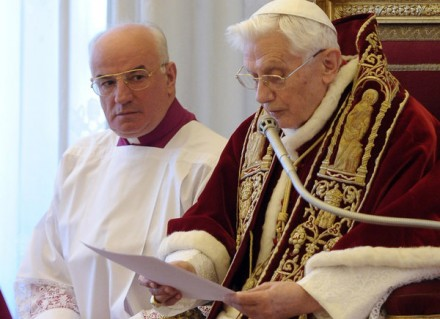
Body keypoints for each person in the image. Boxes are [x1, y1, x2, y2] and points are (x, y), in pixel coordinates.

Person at [141, 1, 440, 318]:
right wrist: (187, 269)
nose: (261, 95)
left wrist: (310, 295)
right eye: (253, 76)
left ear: (328, 65)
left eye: (275, 75)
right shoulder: (255, 133)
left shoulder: (399, 129)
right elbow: (216, 222)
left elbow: (411, 242)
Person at [14, 22, 227, 319]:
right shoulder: (79, 161)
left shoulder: (214, 162)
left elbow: (217, 293)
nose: (121, 96)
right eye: (106, 83)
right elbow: (47, 278)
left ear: (170, 76)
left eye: (137, 77)